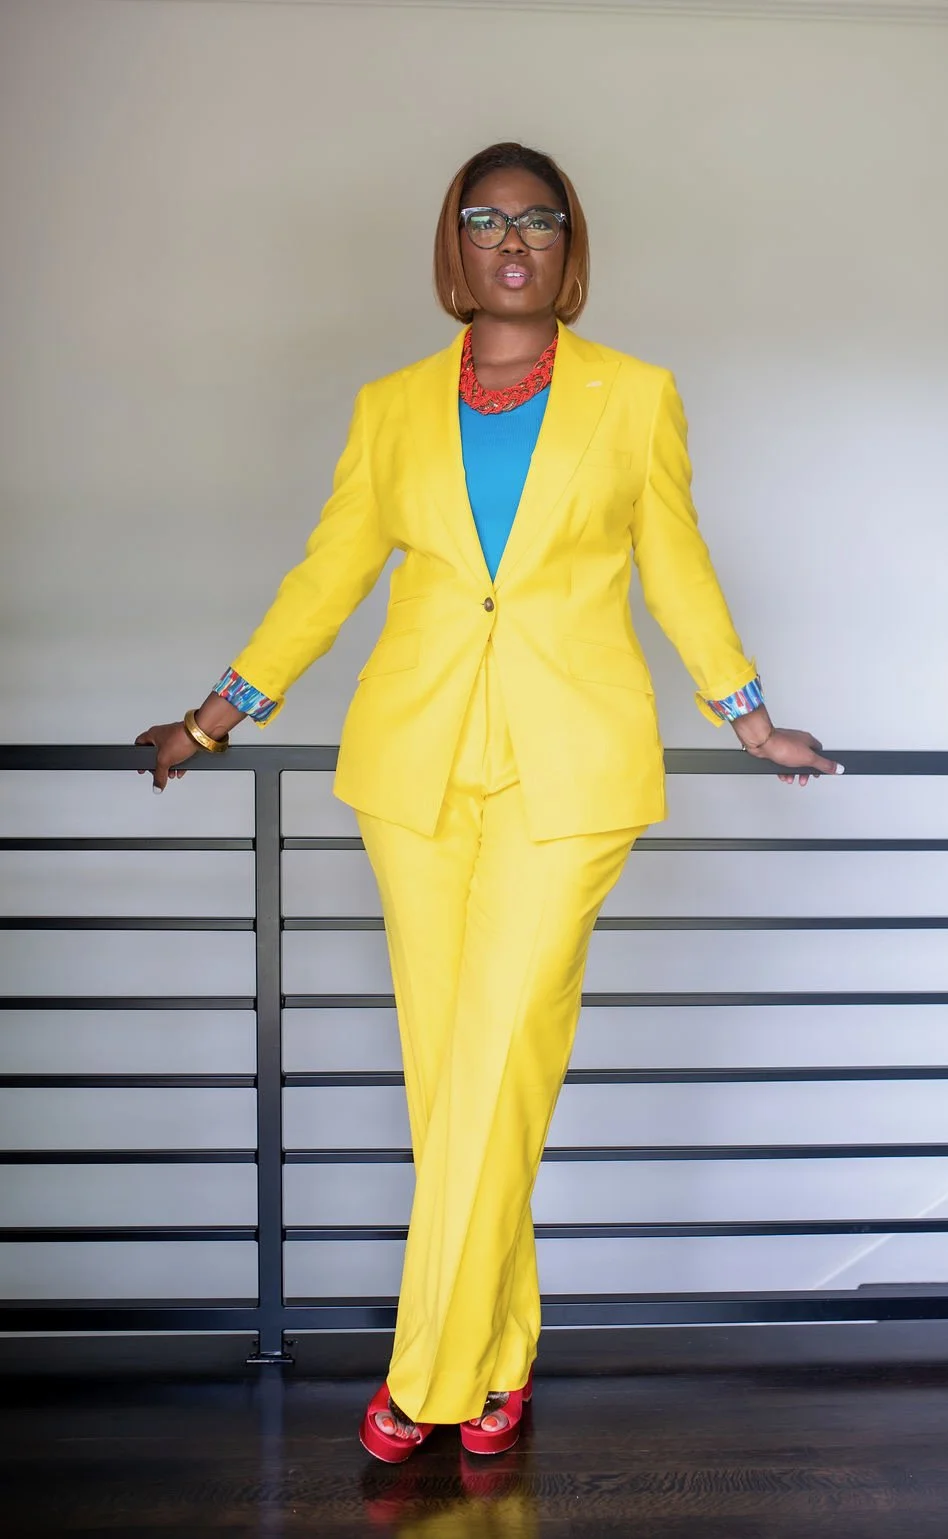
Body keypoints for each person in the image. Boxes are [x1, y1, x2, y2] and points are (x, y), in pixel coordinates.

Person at [136, 141, 842, 1462]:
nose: (512, 239)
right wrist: (216, 715)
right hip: (414, 771)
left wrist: (749, 716)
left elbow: (677, 566)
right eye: (485, 218)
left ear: (571, 247)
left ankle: (426, 1377)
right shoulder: (391, 407)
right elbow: (327, 575)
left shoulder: (636, 397)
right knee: (452, 1076)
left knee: (502, 1051)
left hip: (569, 771)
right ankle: (504, 1350)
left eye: (538, 218)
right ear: (453, 246)